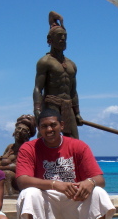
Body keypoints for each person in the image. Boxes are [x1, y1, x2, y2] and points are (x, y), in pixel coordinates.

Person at [15, 109, 116, 219]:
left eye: (53, 124)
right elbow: (22, 181)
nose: (49, 129)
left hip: (73, 209)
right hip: (46, 211)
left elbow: (100, 179)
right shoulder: (29, 148)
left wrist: (89, 182)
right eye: (44, 126)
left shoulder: (78, 146)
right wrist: (56, 185)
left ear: (62, 125)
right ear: (39, 128)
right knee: (29, 193)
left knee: (99, 193)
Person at [33, 11, 83, 139]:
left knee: (74, 140)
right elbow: (38, 88)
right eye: (59, 36)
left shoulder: (72, 65)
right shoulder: (45, 62)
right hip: (51, 104)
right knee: (46, 138)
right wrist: (37, 110)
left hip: (68, 106)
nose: (62, 39)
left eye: (65, 37)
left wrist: (77, 112)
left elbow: (73, 91)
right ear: (50, 40)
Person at [0, 114, 36, 195]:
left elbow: (20, 166)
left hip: (19, 177)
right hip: (4, 171)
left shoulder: (27, 148)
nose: (20, 131)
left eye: (24, 130)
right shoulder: (10, 147)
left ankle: (9, 195)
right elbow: (2, 158)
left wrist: (1, 167)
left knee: (6, 174)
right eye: (18, 128)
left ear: (28, 135)